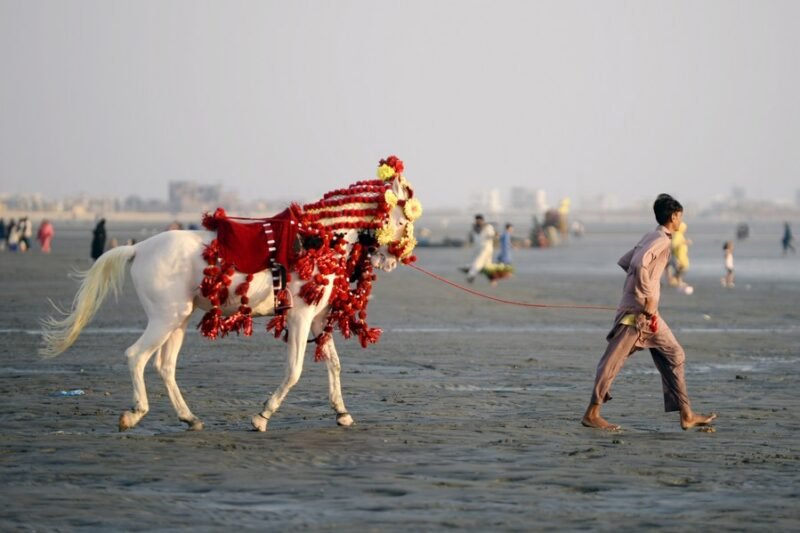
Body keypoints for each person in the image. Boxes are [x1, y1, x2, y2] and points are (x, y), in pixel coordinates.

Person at [582, 193, 716, 431]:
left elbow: (627, 261)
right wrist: (647, 297)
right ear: (674, 216)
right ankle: (592, 413)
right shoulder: (662, 240)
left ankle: (686, 414)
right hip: (638, 315)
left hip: (647, 314)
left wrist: (642, 290)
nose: (681, 221)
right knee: (611, 363)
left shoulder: (652, 235)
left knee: (674, 354)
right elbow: (637, 264)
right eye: (680, 217)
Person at [463, 214, 496, 283]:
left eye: (479, 220)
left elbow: (492, 235)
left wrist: (493, 235)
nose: (478, 222)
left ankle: (470, 276)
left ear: (482, 220)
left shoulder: (488, 227)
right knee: (487, 264)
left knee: (478, 261)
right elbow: (470, 239)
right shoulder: (473, 229)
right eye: (477, 221)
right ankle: (492, 278)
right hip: (478, 248)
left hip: (486, 248)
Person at [667, 221, 692, 294]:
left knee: (683, 268)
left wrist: (685, 242)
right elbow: (674, 245)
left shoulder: (680, 235)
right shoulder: (677, 235)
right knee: (682, 268)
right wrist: (684, 242)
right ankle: (676, 281)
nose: (685, 229)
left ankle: (677, 281)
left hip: (682, 256)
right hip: (678, 256)